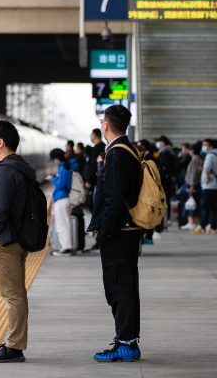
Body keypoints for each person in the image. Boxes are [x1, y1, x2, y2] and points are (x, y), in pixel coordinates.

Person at [89, 105, 143, 362]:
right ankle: (128, 340)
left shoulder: (117, 153)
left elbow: (113, 195)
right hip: (128, 230)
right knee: (126, 285)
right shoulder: (130, 149)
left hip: (118, 232)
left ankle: (125, 344)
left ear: (106, 126)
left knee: (118, 286)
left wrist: (105, 230)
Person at [0, 120, 34, 363]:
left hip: (5, 241)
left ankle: (14, 347)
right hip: (18, 238)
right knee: (17, 294)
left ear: (0, 142)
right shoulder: (21, 166)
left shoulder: (5, 170)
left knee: (13, 296)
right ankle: (15, 343)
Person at [45, 149, 75, 256]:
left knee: (62, 224)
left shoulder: (63, 169)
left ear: (56, 158)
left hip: (62, 200)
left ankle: (66, 248)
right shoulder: (64, 168)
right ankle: (66, 247)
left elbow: (61, 185)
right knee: (63, 223)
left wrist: (52, 179)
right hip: (62, 199)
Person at [193, 138, 217, 234]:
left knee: (205, 206)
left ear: (210, 147)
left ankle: (202, 226)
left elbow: (208, 167)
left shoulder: (210, 155)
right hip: (216, 184)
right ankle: (213, 226)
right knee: (214, 206)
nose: (203, 147)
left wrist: (208, 176)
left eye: (205, 145)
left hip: (209, 185)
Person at [155, 136, 179, 230]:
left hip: (165, 181)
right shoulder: (166, 152)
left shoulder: (165, 152)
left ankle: (166, 219)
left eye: (159, 142)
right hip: (166, 180)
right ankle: (165, 219)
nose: (159, 144)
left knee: (165, 200)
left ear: (163, 142)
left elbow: (164, 167)